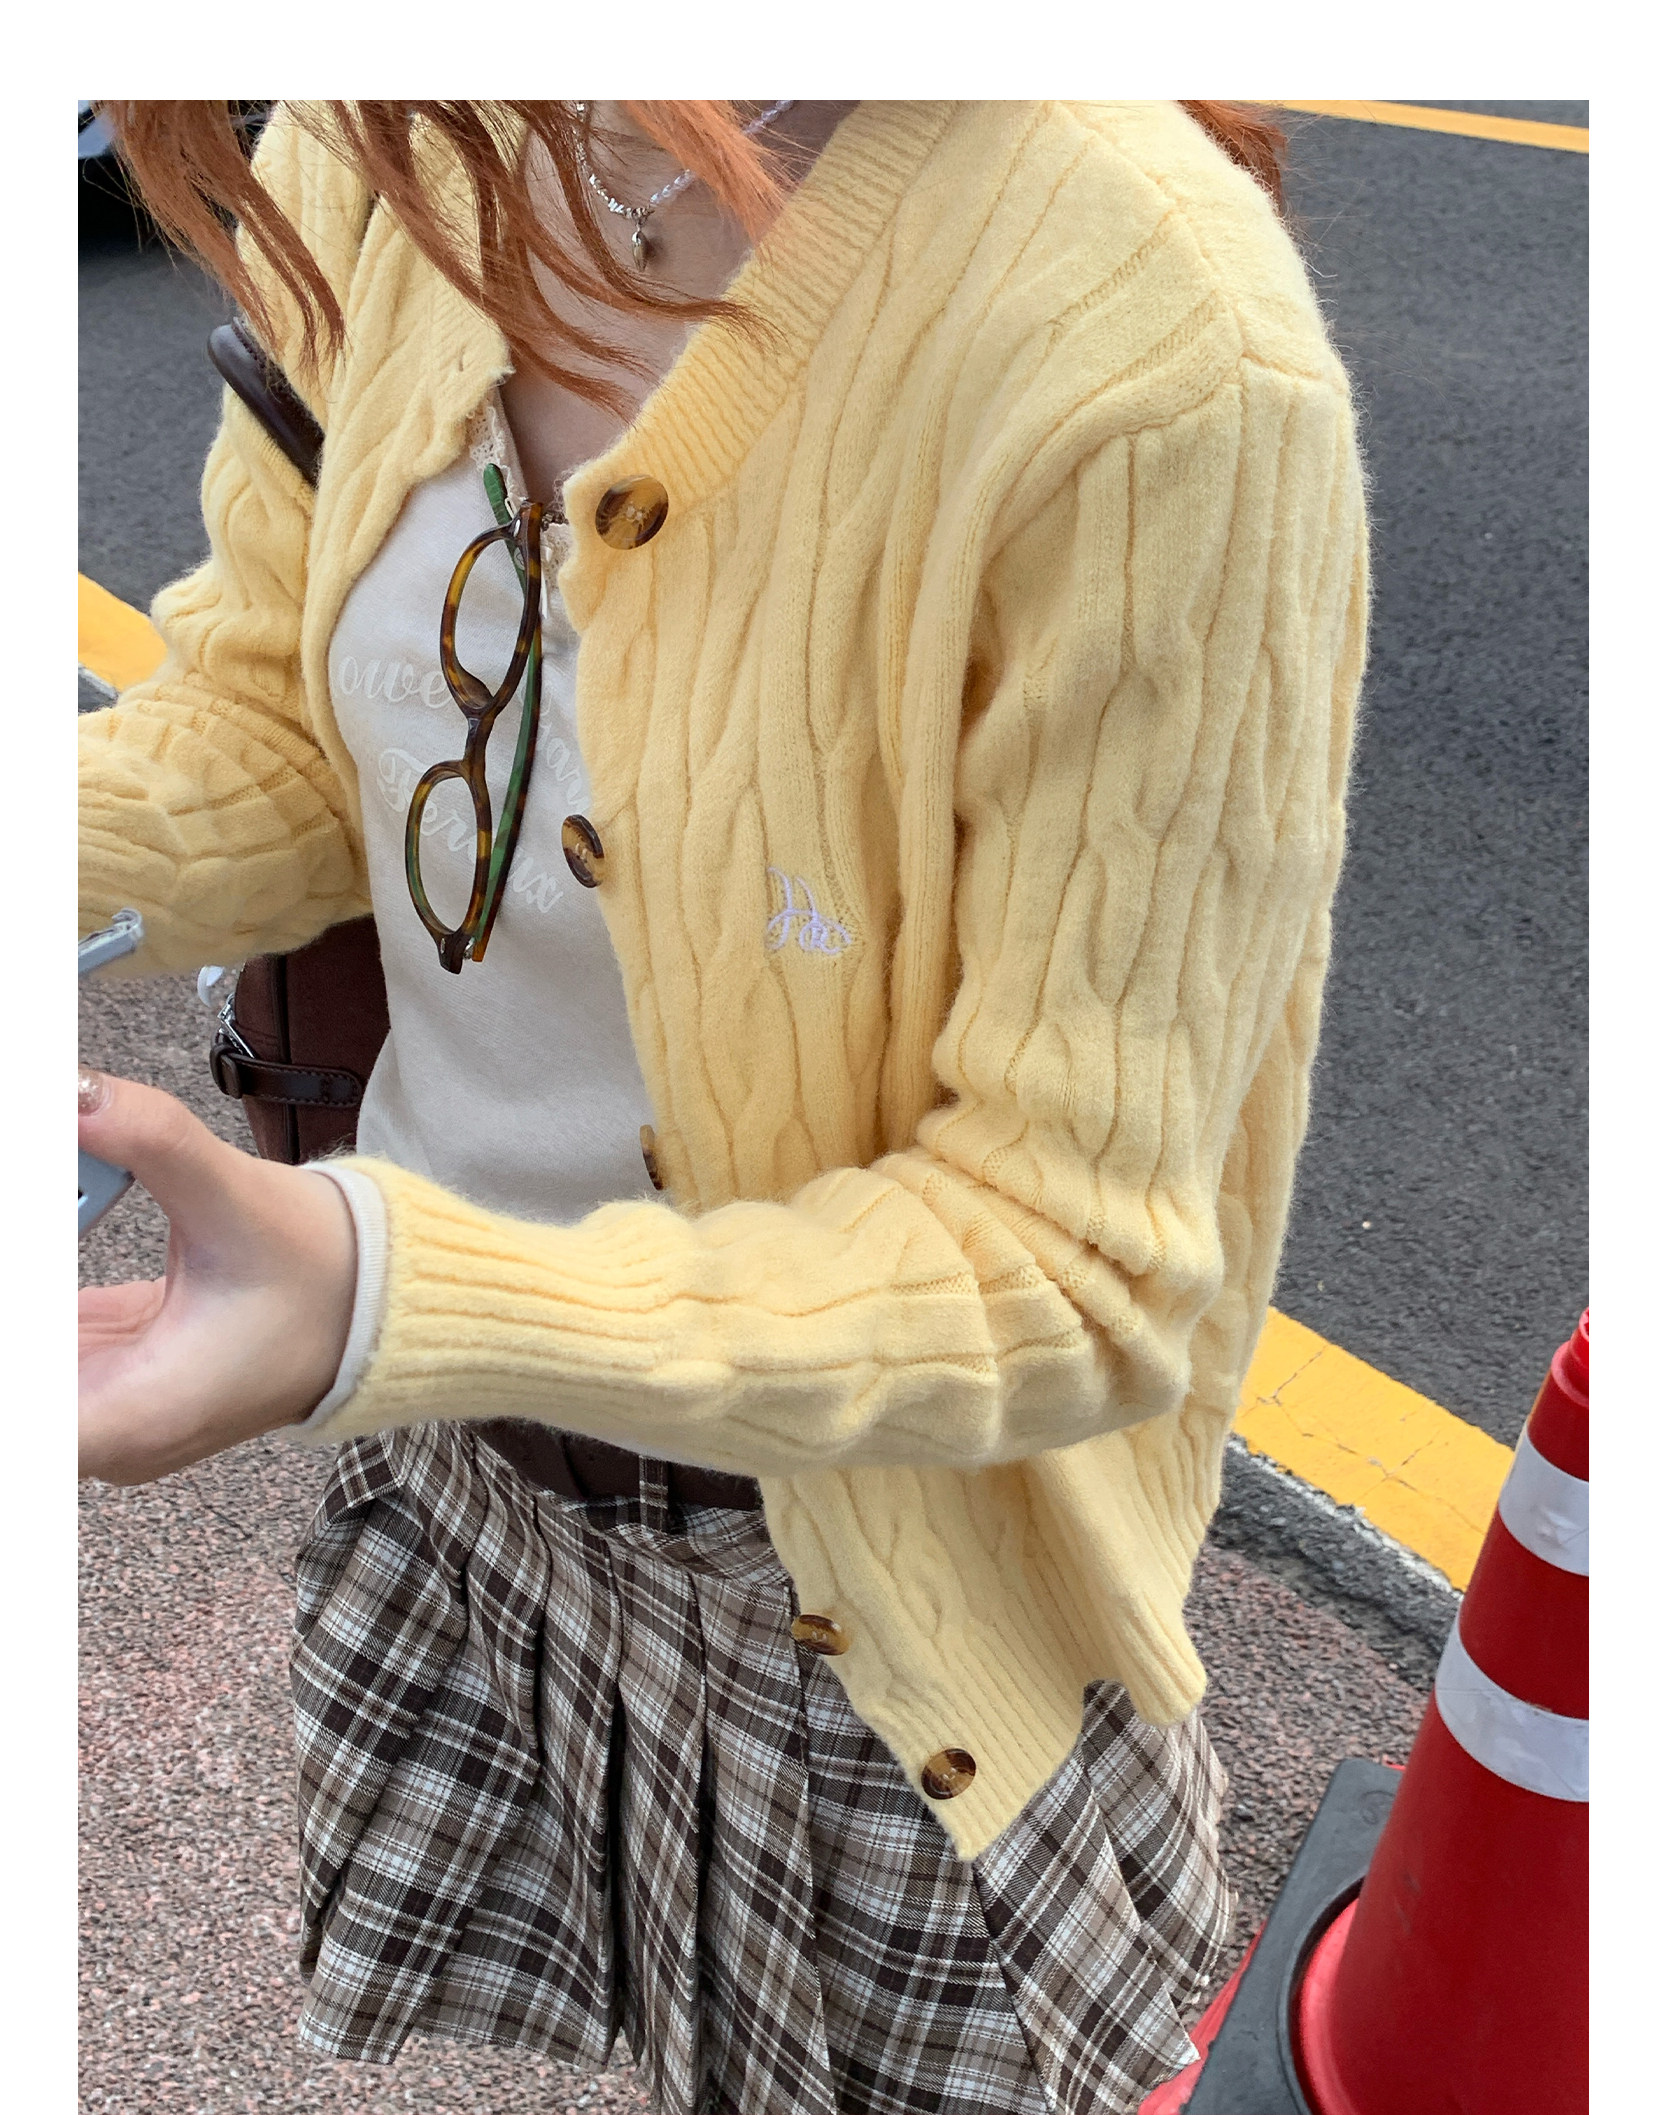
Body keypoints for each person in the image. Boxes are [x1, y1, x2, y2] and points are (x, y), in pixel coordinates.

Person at [78, 100, 1368, 2115]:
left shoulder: (1158, 339)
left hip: (870, 1582)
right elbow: (282, 716)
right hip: (470, 1463)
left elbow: (1076, 1261)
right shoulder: (398, 132)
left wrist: (374, 1297)